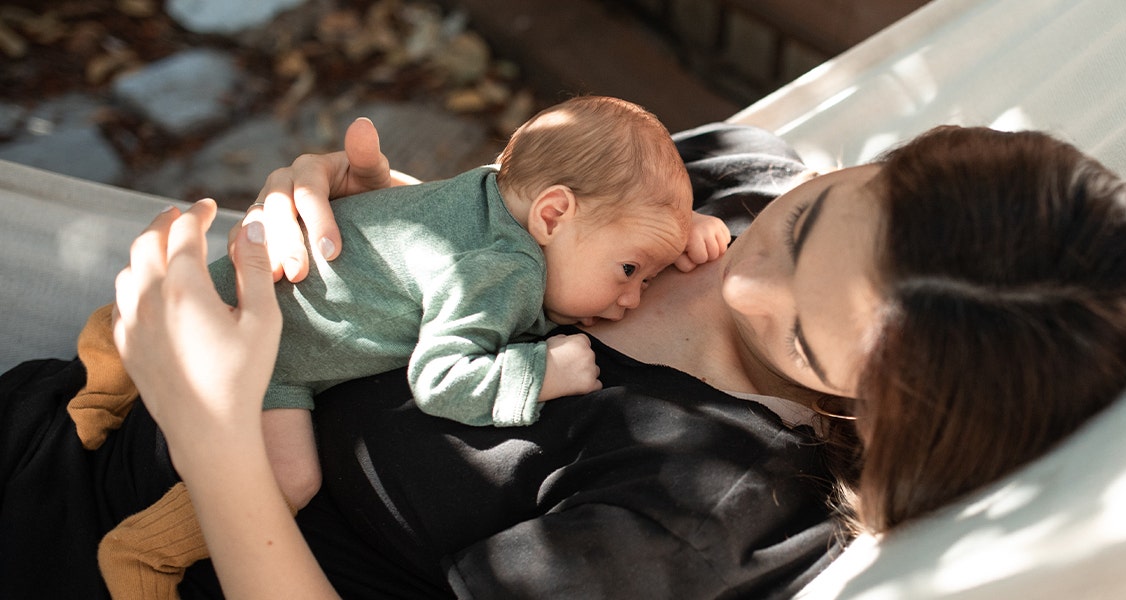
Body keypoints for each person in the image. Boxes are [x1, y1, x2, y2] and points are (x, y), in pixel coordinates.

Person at [0, 120, 1126, 599]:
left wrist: (216, 446)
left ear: (875, 413)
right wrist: (360, 214)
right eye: (812, 219)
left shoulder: (686, 506)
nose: (724, 274)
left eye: (801, 335)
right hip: (57, 410)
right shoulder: (743, 172)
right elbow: (504, 236)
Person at [68, 95, 731, 599]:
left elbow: (614, 220)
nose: (636, 295)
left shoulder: (484, 192)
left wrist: (672, 236)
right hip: (273, 356)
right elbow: (442, 380)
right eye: (631, 270)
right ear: (553, 215)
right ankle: (144, 553)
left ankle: (107, 358)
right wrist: (540, 371)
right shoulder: (504, 271)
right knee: (291, 477)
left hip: (246, 296)